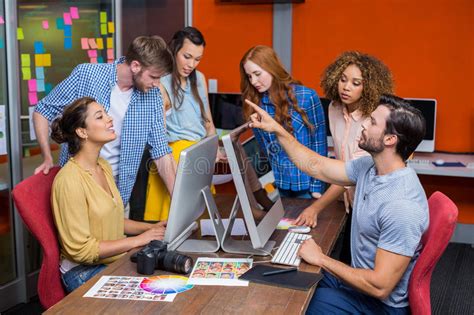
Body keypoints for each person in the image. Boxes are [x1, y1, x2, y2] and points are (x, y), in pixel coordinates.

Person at [247, 94, 429, 314]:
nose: (363, 124)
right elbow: (317, 166)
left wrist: (321, 258)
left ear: (390, 139)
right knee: (283, 279)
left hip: (380, 306)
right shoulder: (370, 167)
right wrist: (278, 130)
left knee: (295, 305)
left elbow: (380, 286)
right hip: (358, 285)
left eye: (371, 122)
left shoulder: (401, 205)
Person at [34, 35, 175, 218]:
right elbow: (43, 109)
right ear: (135, 66)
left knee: (118, 242)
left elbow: (162, 153)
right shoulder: (87, 75)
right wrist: (46, 156)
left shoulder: (153, 96)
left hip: (119, 195)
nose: (157, 85)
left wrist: (178, 201)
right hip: (80, 188)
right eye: (154, 77)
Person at [50, 97, 167, 293]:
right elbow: (81, 251)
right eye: (100, 116)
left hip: (111, 261)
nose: (109, 119)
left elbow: (112, 220)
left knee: (163, 282)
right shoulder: (69, 180)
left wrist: (153, 228)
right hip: (82, 271)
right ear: (82, 131)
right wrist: (139, 240)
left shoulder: (102, 166)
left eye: (106, 113)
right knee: (148, 294)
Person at [294, 51, 393, 264]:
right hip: (347, 199)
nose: (346, 87)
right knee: (343, 255)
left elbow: (351, 172)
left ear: (369, 86)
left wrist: (315, 208)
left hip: (369, 201)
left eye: (356, 83)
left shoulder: (373, 121)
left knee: (361, 263)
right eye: (343, 79)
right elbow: (341, 158)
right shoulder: (334, 108)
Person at [240, 45, 327, 199]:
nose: (253, 81)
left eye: (257, 74)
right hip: (281, 185)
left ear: (271, 68)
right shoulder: (256, 104)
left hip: (308, 187)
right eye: (249, 76)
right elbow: (266, 150)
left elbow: (319, 144)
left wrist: (316, 187)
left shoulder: (306, 96)